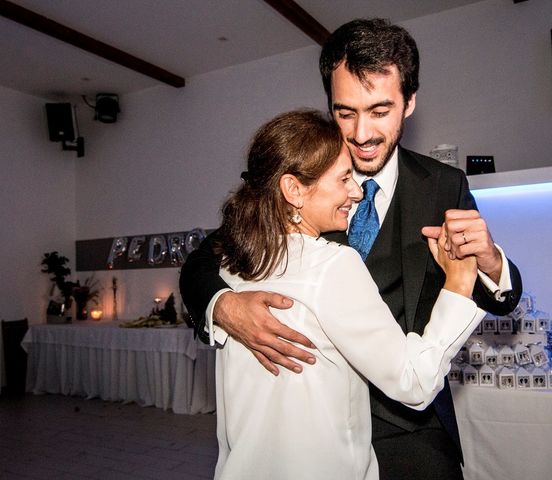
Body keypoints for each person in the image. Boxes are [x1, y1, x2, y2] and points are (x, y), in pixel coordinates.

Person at [180, 18, 523, 479]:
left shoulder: (443, 185)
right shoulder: (294, 176)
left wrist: (490, 261)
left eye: (380, 111)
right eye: (345, 113)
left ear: (410, 103)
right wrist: (222, 305)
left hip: (411, 428)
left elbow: (500, 295)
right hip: (311, 430)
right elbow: (204, 260)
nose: (361, 134)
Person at [210, 109, 485, 479]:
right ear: (293, 189)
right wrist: (459, 282)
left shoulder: (232, 263)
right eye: (343, 179)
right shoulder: (331, 265)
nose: (356, 192)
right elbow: (414, 381)